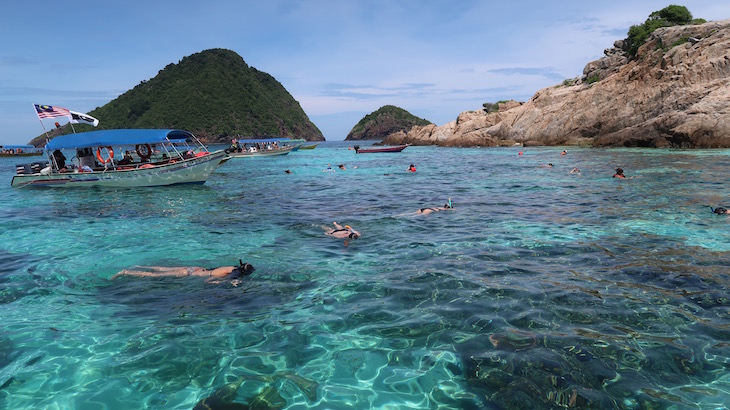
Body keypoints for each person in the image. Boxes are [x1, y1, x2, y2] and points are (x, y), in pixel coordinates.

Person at [112, 260, 254, 281]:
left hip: (193, 268)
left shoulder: (230, 267)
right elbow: (208, 280)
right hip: (189, 273)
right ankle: (125, 272)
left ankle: (137, 267)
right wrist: (214, 283)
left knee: (160, 269)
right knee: (152, 276)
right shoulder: (232, 273)